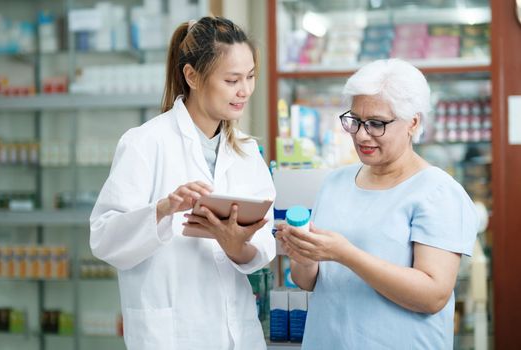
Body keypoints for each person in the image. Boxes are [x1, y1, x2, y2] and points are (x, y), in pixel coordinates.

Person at [90, 16, 276, 350]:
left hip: (238, 334)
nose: (245, 90)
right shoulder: (145, 142)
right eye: (232, 79)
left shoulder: (247, 152)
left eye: (250, 77)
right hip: (172, 335)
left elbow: (262, 248)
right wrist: (162, 210)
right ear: (192, 76)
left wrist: (236, 244)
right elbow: (104, 238)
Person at [276, 58, 478, 349]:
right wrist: (304, 255)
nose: (360, 134)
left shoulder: (437, 192)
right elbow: (308, 282)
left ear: (413, 122)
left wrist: (345, 254)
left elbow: (432, 295)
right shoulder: (335, 183)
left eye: (376, 124)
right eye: (354, 120)